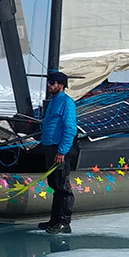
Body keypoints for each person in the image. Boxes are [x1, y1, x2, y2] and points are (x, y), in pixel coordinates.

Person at [38, 70, 78, 234]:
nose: (49, 85)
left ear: (61, 85)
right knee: (54, 184)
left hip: (59, 149)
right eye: (49, 82)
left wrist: (62, 151)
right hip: (50, 147)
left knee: (63, 186)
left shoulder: (67, 103)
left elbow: (70, 128)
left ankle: (64, 222)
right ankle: (54, 219)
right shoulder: (54, 101)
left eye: (52, 83)